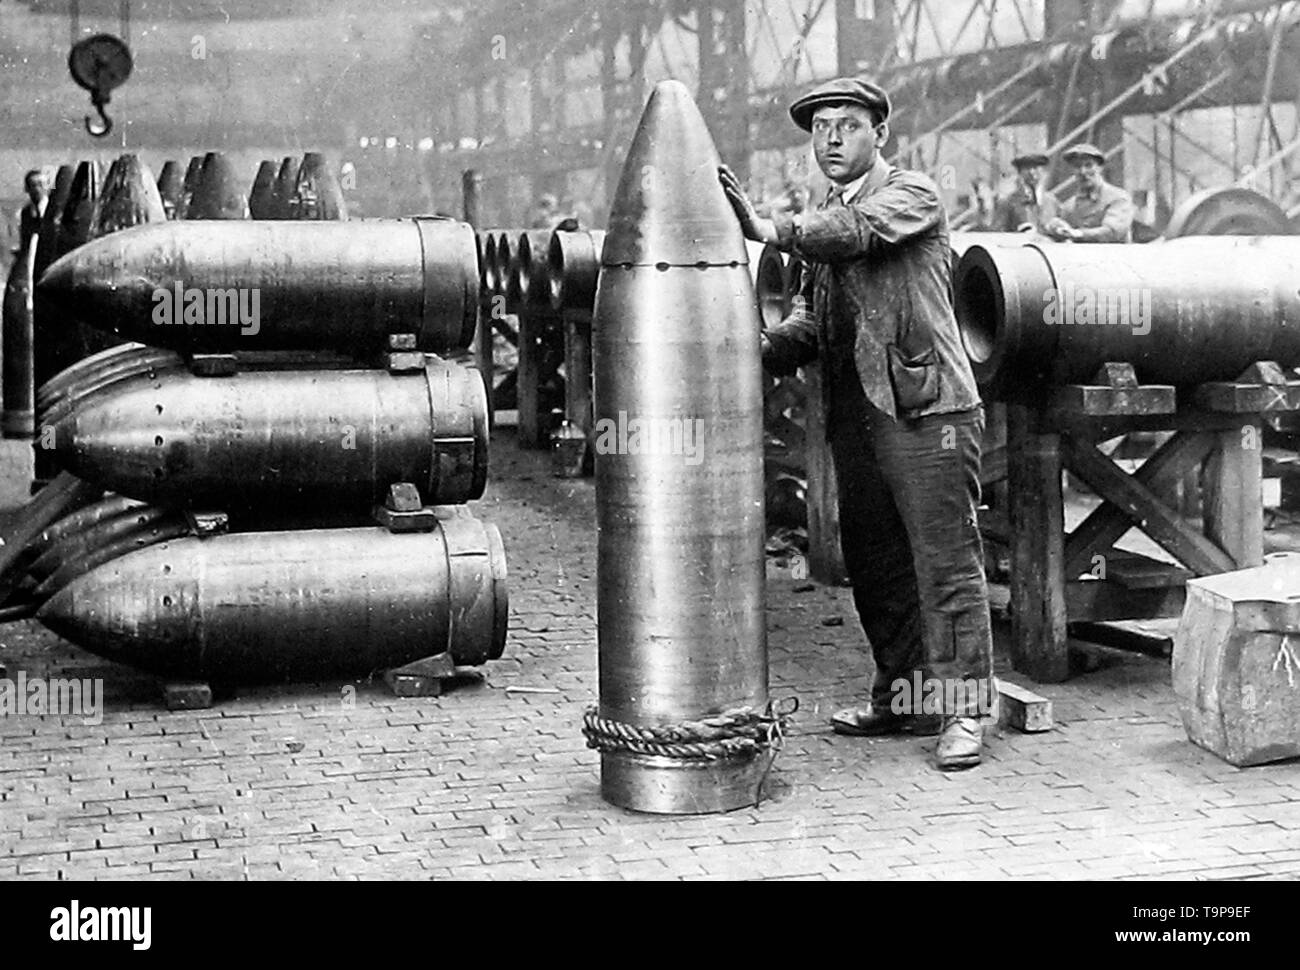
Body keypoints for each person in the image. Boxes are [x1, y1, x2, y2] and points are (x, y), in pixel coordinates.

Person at [718, 76, 995, 771]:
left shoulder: (911, 197)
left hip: (928, 412)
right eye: (819, 129)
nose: (831, 139)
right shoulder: (824, 215)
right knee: (876, 568)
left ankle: (965, 713)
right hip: (859, 421)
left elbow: (858, 235)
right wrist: (757, 346)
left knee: (946, 567)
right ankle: (905, 701)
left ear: (880, 135)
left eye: (846, 125)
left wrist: (769, 229)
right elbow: (813, 319)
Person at [1043, 143, 1135, 243]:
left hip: (1114, 257)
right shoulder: (1069, 207)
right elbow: (1063, 234)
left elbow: (1112, 232)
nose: (1083, 171)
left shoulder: (1118, 198)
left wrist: (1078, 233)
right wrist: (1055, 228)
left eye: (1088, 165)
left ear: (1100, 168)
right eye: (1077, 166)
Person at [991, 152, 1057, 233]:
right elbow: (997, 235)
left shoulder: (1052, 201)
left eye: (1036, 167)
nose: (1032, 172)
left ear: (1044, 171)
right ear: (1020, 173)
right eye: (1027, 168)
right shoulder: (1009, 203)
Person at [18, 169, 47, 254]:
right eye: (34, 185)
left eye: (41, 185)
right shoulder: (25, 212)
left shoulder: (54, 209)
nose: (38, 189)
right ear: (27, 189)